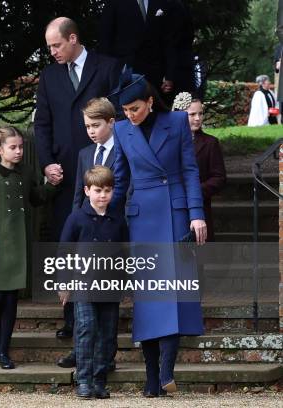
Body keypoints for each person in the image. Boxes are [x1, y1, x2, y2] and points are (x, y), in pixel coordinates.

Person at [110, 71, 206, 397]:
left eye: (134, 108)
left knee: (173, 296)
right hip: (142, 220)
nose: (129, 115)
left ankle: (167, 369)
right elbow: (120, 181)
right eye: (124, 110)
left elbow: (190, 171)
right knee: (149, 299)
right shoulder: (122, 131)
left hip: (176, 214)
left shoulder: (177, 122)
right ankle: (152, 377)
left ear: (150, 101)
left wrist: (196, 215)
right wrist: (108, 219)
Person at [34, 16, 120, 339]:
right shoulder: (49, 76)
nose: (52, 51)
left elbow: (119, 117)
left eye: (56, 45)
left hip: (103, 170)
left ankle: (106, 318)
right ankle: (73, 321)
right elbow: (42, 123)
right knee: (69, 244)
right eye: (49, 46)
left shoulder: (108, 67)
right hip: (64, 175)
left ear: (73, 39)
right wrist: (46, 164)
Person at [0, 126, 58, 370]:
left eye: (21, 147)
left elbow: (36, 197)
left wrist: (53, 185)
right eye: (13, 147)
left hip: (18, 242)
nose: (19, 151)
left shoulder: (26, 172)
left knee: (10, 298)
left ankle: (4, 350)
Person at [57, 97, 118, 370]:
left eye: (95, 125)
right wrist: (75, 220)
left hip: (111, 228)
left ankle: (106, 357)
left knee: (107, 305)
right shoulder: (84, 154)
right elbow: (77, 197)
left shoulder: (123, 150)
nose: (91, 131)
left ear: (111, 122)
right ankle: (81, 352)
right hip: (85, 231)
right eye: (87, 126)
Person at [58, 166, 128, 399]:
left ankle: (99, 380)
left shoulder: (117, 220)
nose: (103, 195)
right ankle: (84, 379)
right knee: (87, 329)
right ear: (87, 191)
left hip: (110, 287)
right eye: (98, 190)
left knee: (107, 334)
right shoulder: (76, 218)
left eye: (107, 190)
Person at [172, 92, 226, 241]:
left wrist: (194, 191)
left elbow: (219, 178)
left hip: (199, 209)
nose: (198, 118)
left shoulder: (210, 143)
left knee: (197, 259)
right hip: (171, 208)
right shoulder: (167, 142)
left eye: (200, 113)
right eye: (192, 114)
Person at [98, 0, 178, 99]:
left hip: (155, 74)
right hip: (123, 72)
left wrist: (169, 76)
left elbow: (169, 42)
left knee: (153, 109)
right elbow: (105, 39)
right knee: (126, 110)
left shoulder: (162, 2)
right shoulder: (115, 2)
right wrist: (105, 75)